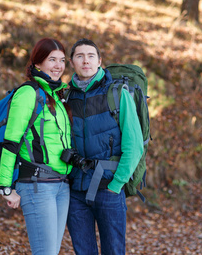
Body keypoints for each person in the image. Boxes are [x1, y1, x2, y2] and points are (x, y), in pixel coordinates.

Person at [65, 38, 143, 255]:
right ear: (72, 62)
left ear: (100, 61)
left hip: (109, 187)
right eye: (79, 56)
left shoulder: (117, 94)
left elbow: (134, 144)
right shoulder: (66, 96)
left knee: (114, 251)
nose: (85, 61)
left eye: (91, 56)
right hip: (75, 190)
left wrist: (117, 183)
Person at [0, 38, 73, 255]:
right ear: (38, 63)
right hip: (37, 185)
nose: (58, 66)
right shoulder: (28, 93)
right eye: (52, 60)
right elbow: (11, 141)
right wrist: (5, 187)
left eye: (61, 60)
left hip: (61, 186)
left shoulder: (57, 96)